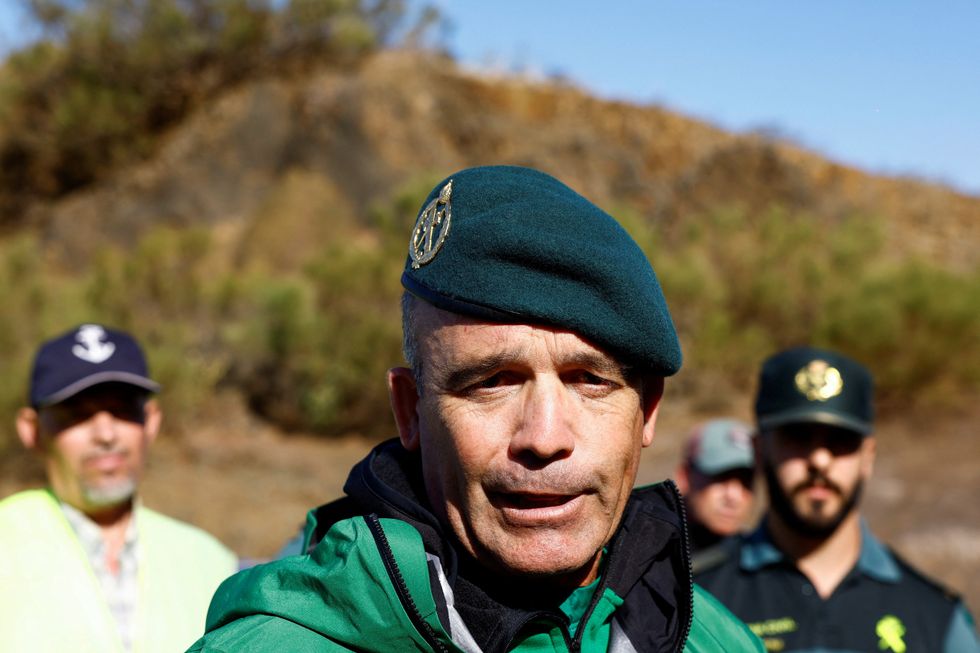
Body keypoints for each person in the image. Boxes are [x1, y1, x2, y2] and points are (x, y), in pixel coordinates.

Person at [189, 166, 763, 652]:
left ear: (648, 411)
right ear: (410, 411)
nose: (543, 437)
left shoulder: (715, 641)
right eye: (493, 383)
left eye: (588, 381)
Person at [695, 346, 979, 652]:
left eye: (840, 441)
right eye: (798, 437)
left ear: (868, 457)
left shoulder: (936, 618)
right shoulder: (694, 601)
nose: (820, 460)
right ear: (759, 449)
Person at [0, 324, 238, 653]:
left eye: (124, 410)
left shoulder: (212, 561)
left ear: (151, 422)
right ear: (32, 430)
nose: (106, 434)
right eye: (76, 413)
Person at [674, 418, 755, 555]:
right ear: (684, 477)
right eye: (720, 477)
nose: (734, 496)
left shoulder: (757, 559)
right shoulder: (644, 550)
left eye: (746, 481)